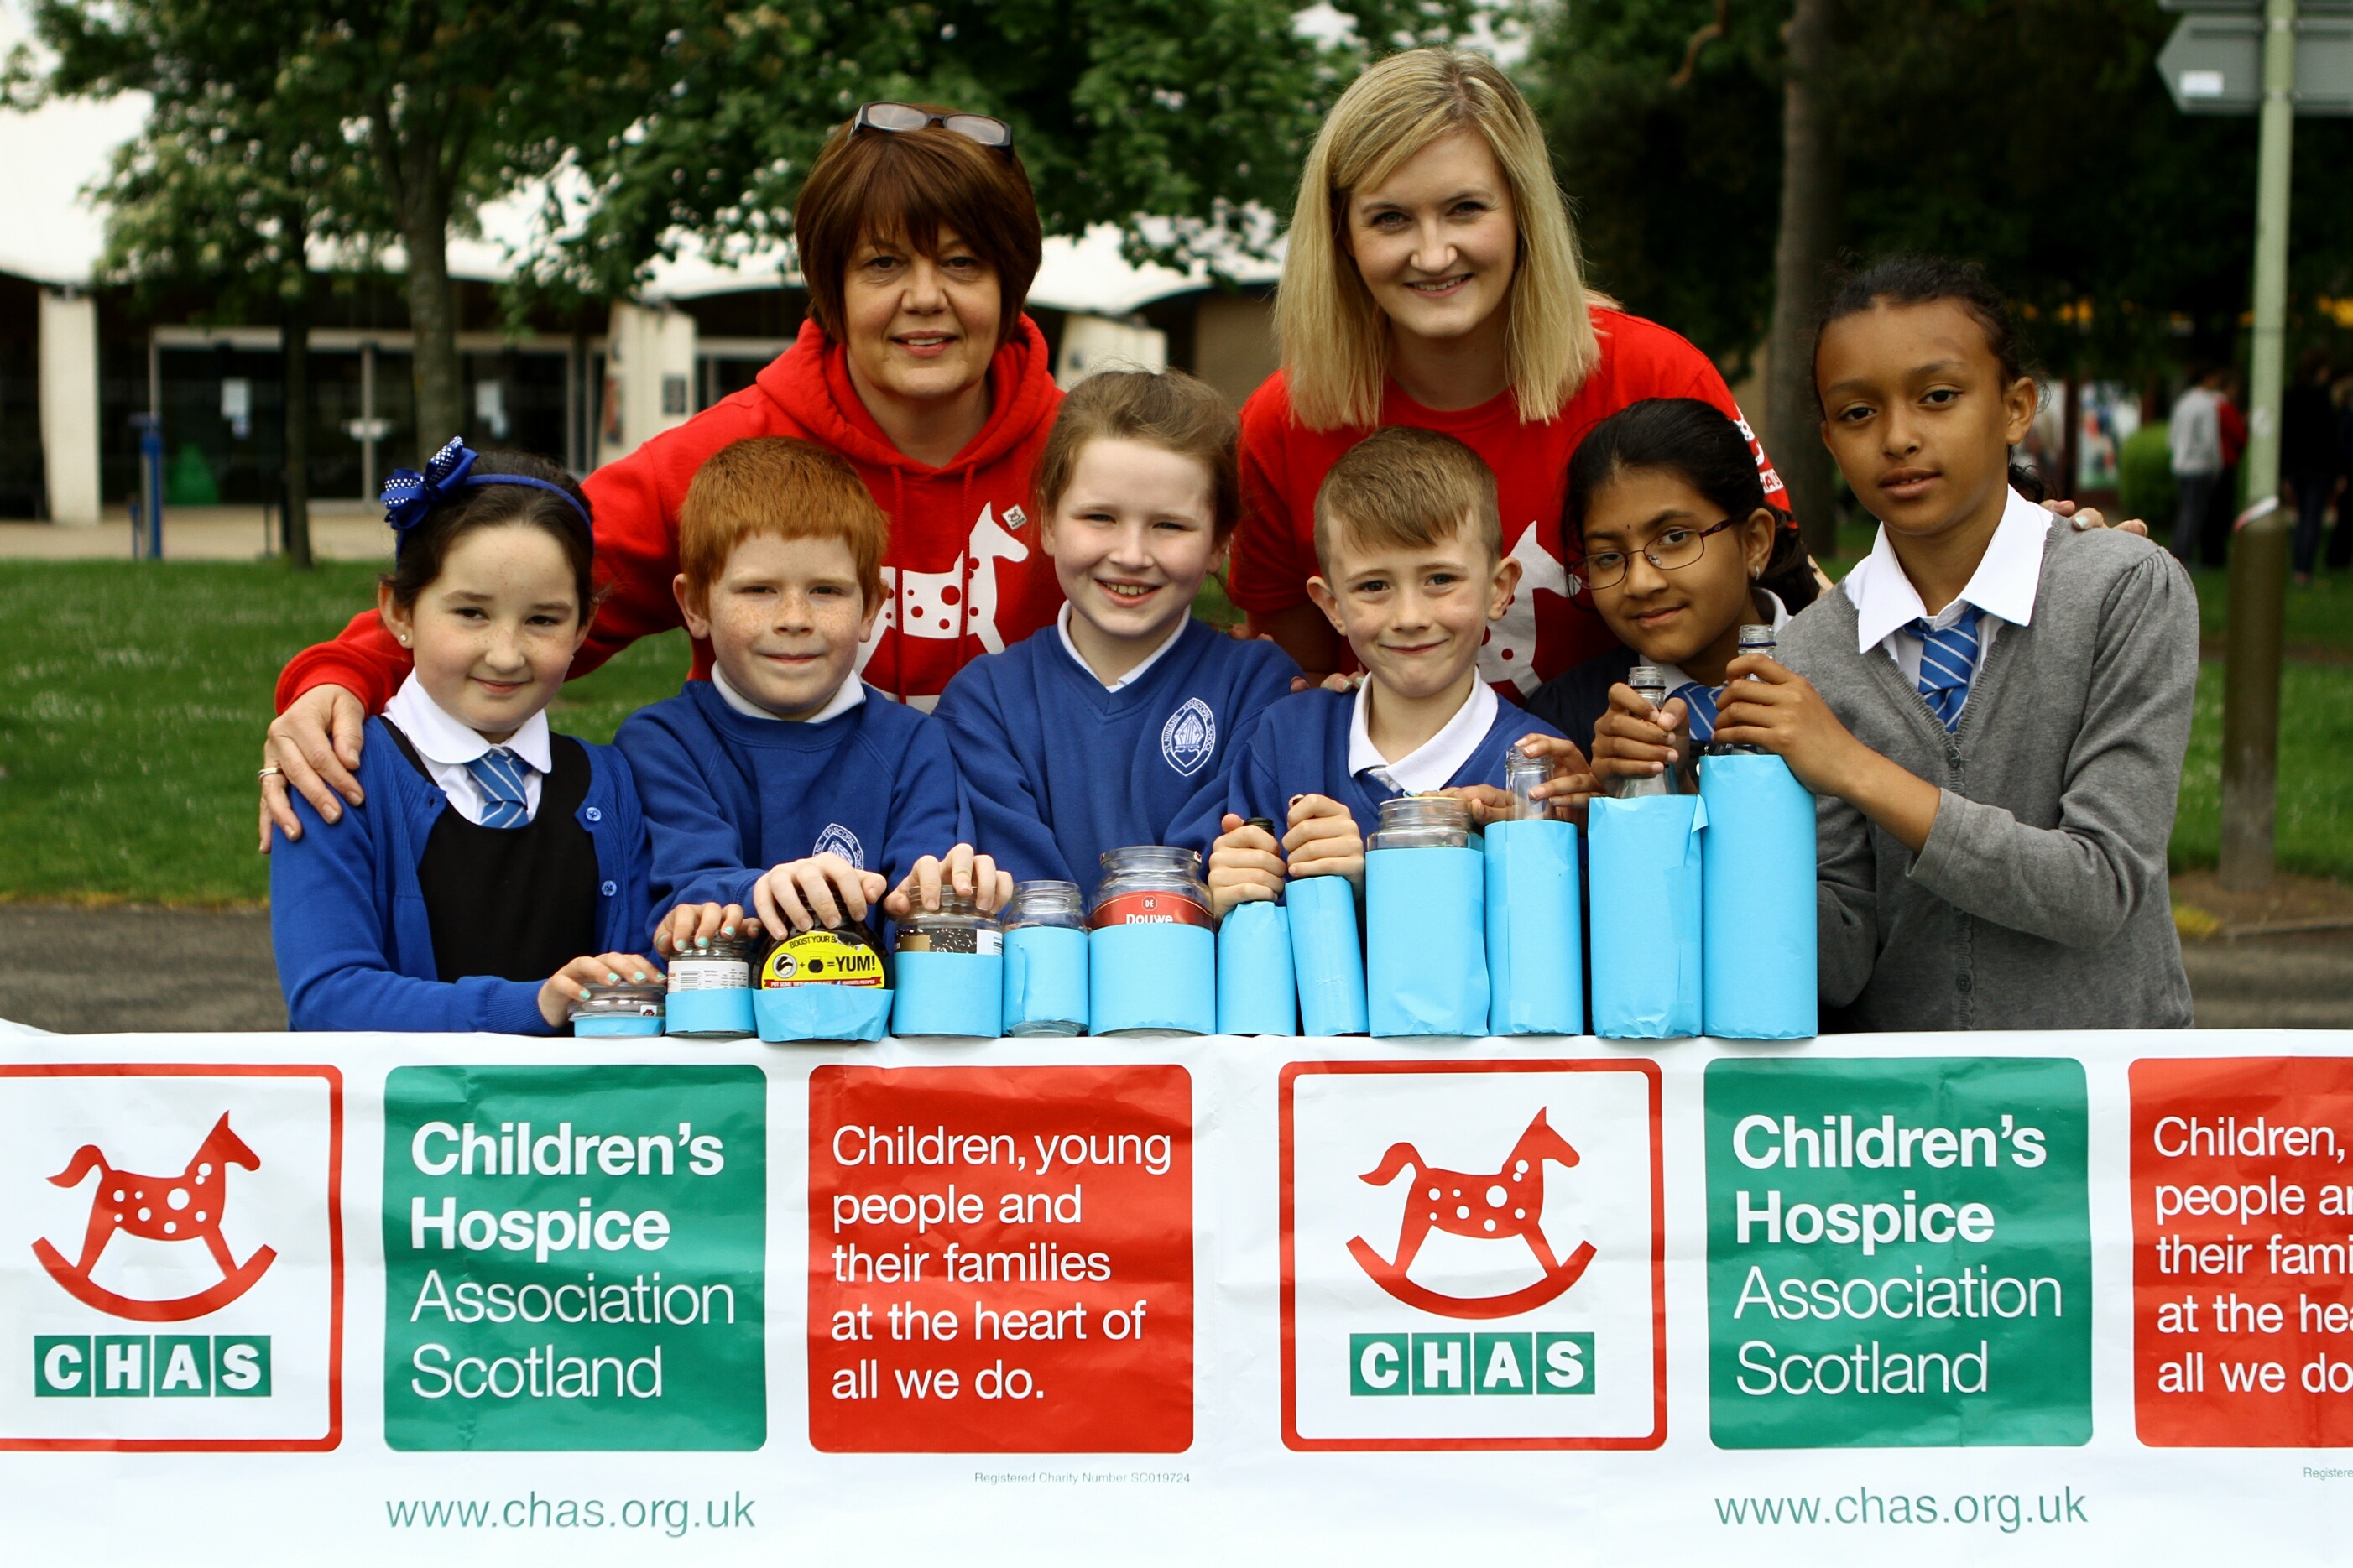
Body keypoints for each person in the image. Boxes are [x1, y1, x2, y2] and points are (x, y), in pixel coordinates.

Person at [261, 100, 1065, 848]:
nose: (925, 299)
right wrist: (345, 674)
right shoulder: (731, 453)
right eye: (884, 264)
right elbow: (527, 569)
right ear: (832, 285)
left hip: (1035, 883)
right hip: (756, 894)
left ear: (1010, 281)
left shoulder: (1089, 465)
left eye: (962, 263)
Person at [1694, 256, 2196, 1031]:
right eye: (1858, 413)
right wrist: (1694, 811)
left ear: (2016, 407)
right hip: (1903, 1122)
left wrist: (1856, 767)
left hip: (2099, 1110)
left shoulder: (2124, 591)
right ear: (1828, 440)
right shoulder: (1809, 662)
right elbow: (1839, 958)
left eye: (1938, 397)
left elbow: (2100, 888)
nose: (1898, 437)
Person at [1225, 47, 1786, 695]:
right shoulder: (1282, 424)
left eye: (1466, 208)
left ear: (1523, 212)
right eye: (1390, 218)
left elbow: (1780, 592)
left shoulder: (1654, 373)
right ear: (1342, 235)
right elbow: (1300, 676)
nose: (1434, 254)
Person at [268, 445, 655, 1033]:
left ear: (584, 626)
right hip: (403, 1123)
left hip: (568, 1125)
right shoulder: (336, 771)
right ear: (398, 612)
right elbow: (328, 997)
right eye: (471, 613)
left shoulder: (611, 782)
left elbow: (640, 975)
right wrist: (531, 1006)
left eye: (543, 620)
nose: (505, 653)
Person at [613, 439, 1008, 960]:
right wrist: (757, 893)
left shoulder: (914, 742)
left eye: (826, 591)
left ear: (872, 609)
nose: (794, 618)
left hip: (873, 1033)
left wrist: (935, 896)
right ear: (695, 604)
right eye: (759, 590)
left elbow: (920, 907)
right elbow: (686, 898)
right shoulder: (661, 743)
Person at [932, 369, 1300, 899]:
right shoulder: (984, 701)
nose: (1131, 555)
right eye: (1100, 517)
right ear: (1050, 521)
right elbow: (1014, 893)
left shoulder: (1259, 688)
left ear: (1220, 541)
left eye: (1168, 525)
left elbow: (1239, 864)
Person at [1175, 427, 1571, 919]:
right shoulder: (1286, 737)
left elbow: (1543, 950)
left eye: (1440, 579)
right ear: (1332, 606)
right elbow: (1218, 902)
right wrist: (1224, 894)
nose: (1409, 616)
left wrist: (1375, 880)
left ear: (1499, 588)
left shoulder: (1538, 770)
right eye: (1374, 586)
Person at [1520, 398, 1820, 777]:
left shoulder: (1847, 674)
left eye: (1675, 537)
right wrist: (1599, 803)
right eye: (1608, 557)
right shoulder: (1568, 719)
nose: (1641, 583)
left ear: (1754, 541)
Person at [2283, 346, 2341, 584]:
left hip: (2297, 467)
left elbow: (2285, 436)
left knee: (2302, 517)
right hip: (2319, 467)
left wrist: (2284, 472)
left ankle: (2299, 565)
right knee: (2311, 518)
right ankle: (2304, 569)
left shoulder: (2292, 396)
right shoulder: (2324, 399)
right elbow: (2331, 438)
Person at [2168, 366, 2223, 566]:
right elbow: (2210, 441)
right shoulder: (2207, 405)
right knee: (2194, 513)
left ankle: (2179, 551)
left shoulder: (2183, 402)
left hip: (2181, 465)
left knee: (2184, 511)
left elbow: (2172, 436)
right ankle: (2184, 555)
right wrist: (2217, 464)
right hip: (2199, 466)